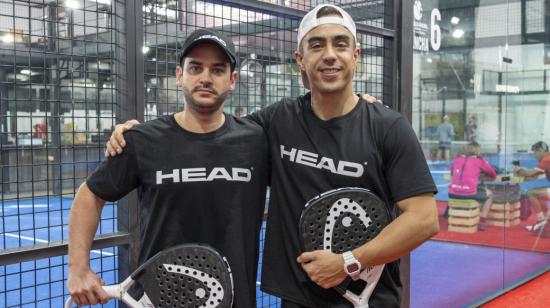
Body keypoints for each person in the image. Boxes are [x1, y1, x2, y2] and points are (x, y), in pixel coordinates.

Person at [106, 4, 439, 307]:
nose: (329, 55)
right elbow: (209, 136)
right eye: (316, 45)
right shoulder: (276, 121)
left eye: (340, 44)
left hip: (367, 298)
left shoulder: (389, 127)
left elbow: (423, 219)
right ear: (300, 59)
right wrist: (142, 134)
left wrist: (348, 262)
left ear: (356, 55)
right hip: (296, 298)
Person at [66, 29, 270, 307]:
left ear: (232, 80)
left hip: (234, 300)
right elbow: (90, 195)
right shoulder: (142, 140)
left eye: (218, 70)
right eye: (195, 68)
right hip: (159, 298)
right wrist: (78, 269)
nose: (206, 78)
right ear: (179, 75)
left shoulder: (257, 139)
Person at [447, 142, 496, 230]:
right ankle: (483, 219)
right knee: (490, 194)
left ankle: (449, 214)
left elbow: (452, 172)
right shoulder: (479, 161)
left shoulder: (457, 159)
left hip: (452, 193)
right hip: (468, 193)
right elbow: (493, 174)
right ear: (477, 151)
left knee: (458, 188)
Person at [513, 141, 550, 232]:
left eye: (535, 152)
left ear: (541, 150)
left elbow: (530, 173)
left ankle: (541, 220)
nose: (534, 155)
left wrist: (518, 170)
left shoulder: (547, 159)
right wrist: (524, 172)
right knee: (538, 194)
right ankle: (544, 220)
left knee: (530, 193)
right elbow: (536, 175)